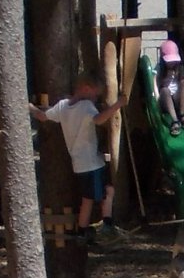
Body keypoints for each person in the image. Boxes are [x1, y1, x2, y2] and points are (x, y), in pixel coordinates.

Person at [31, 74, 125, 237]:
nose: (96, 98)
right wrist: (118, 104)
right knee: (108, 191)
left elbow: (42, 116)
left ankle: (82, 230)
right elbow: (99, 120)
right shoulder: (86, 106)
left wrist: (30, 106)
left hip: (78, 164)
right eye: (95, 94)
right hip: (92, 163)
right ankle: (107, 224)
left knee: (87, 198)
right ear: (86, 89)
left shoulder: (62, 106)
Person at [157, 40, 184, 133]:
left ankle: (182, 114)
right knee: (165, 90)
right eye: (169, 61)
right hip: (166, 100)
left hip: (177, 98)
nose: (171, 63)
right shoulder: (160, 70)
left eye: (173, 61)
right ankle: (175, 120)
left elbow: (182, 84)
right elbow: (155, 83)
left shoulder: (179, 68)